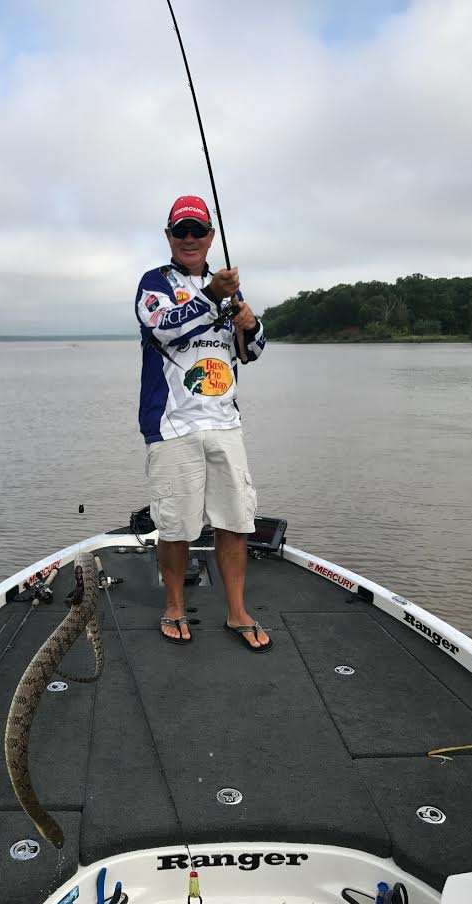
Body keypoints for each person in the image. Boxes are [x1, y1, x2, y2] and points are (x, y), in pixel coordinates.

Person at [135, 194, 271, 652]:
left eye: (198, 231)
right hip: (172, 426)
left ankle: (237, 612)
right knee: (175, 525)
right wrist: (213, 295)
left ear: (211, 236)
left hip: (225, 423)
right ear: (169, 236)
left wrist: (250, 323)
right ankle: (174, 606)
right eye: (182, 231)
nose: (190, 238)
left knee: (236, 521)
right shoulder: (155, 283)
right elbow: (164, 326)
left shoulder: (229, 290)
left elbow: (252, 352)